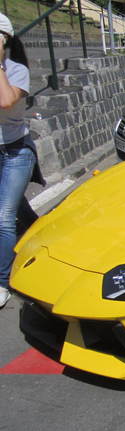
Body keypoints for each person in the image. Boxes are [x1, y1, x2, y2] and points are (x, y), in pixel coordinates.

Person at [0, 13, 43, 308]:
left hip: (16, 152)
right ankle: (45, 236)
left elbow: (5, 101)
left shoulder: (16, 71)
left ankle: (2, 281)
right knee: (19, 211)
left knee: (3, 217)